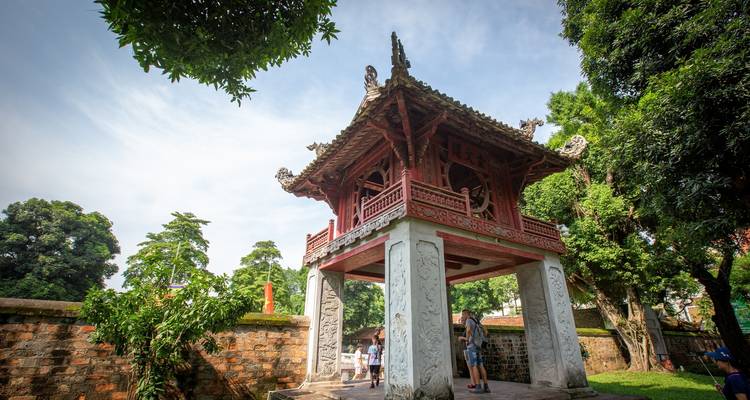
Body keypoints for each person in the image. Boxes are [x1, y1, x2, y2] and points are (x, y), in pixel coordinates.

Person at [459, 309, 490, 394]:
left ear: (466, 314)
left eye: (463, 315)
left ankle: (478, 387)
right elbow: (486, 331)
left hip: (472, 346)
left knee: (474, 366)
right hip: (479, 346)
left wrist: (466, 339)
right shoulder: (476, 320)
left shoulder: (469, 320)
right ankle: (486, 387)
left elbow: (468, 330)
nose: (463, 316)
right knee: (481, 365)